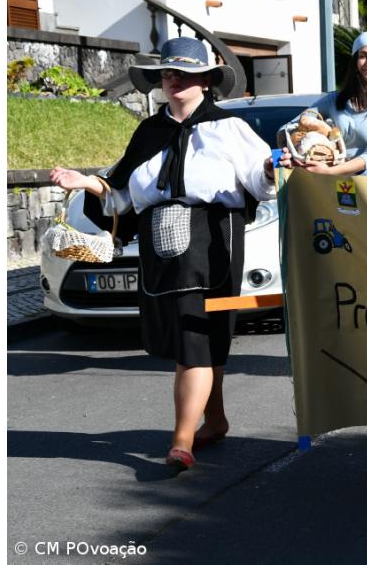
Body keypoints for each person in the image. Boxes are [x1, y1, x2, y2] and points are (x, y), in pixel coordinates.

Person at [48, 37, 279, 471]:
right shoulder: (149, 132)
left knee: (196, 338)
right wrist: (88, 183)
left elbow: (262, 181)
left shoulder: (229, 129)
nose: (172, 80)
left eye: (183, 73)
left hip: (212, 240)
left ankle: (182, 440)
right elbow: (121, 197)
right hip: (160, 245)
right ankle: (216, 419)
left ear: (206, 81)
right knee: (195, 338)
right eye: (166, 74)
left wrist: (272, 167)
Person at [285, 32, 367, 175]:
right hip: (327, 175)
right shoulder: (333, 99)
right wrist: (291, 149)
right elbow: (290, 127)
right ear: (354, 61)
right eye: (363, 56)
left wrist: (329, 172)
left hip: (365, 179)